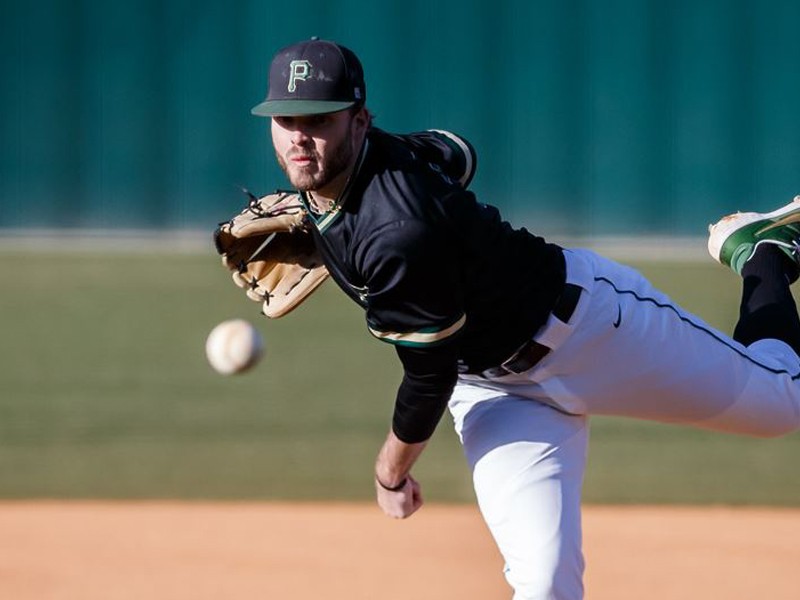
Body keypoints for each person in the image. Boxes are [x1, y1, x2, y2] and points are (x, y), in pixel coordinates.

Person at [249, 37, 800, 599]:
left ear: (359, 121)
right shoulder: (363, 170)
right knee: (543, 585)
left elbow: (427, 378)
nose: (299, 137)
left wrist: (389, 472)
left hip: (589, 332)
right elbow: (456, 152)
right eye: (285, 118)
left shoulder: (397, 233)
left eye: (319, 119)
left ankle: (761, 250)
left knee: (783, 400)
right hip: (497, 394)